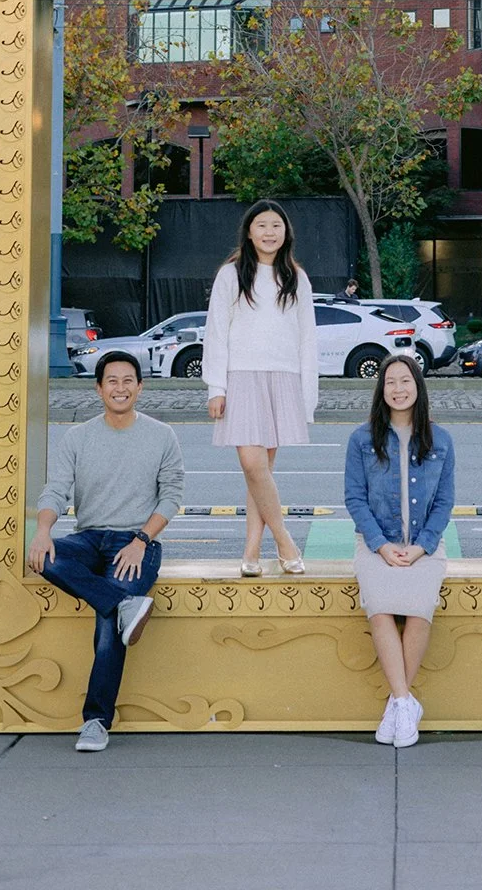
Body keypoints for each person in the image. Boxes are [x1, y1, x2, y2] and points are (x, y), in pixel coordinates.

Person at [28, 349, 185, 752]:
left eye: (128, 380)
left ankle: (96, 721)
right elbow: (56, 490)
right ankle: (123, 603)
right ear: (99, 389)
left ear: (140, 387)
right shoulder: (78, 437)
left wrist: (141, 541)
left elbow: (170, 498)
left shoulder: (161, 435)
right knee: (46, 556)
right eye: (111, 381)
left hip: (137, 542)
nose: (120, 387)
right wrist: (43, 530)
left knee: (106, 630)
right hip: (89, 538)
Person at [344, 354, 454, 749]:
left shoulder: (441, 439)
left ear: (417, 386)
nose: (398, 388)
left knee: (421, 609)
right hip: (376, 542)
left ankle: (397, 703)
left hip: (425, 544)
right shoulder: (362, 439)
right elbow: (354, 499)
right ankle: (405, 701)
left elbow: (444, 501)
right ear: (381, 389)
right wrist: (382, 546)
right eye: (390, 382)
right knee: (380, 609)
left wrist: (423, 546)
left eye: (405, 381)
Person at [203, 199, 319, 575]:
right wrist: (216, 388)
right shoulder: (231, 274)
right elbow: (216, 333)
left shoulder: (296, 277)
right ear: (249, 232)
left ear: (286, 233)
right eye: (262, 226)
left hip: (283, 378)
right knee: (253, 465)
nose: (270, 233)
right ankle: (285, 542)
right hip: (241, 377)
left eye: (276, 226)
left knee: (261, 472)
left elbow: (307, 340)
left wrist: (307, 397)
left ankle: (251, 551)